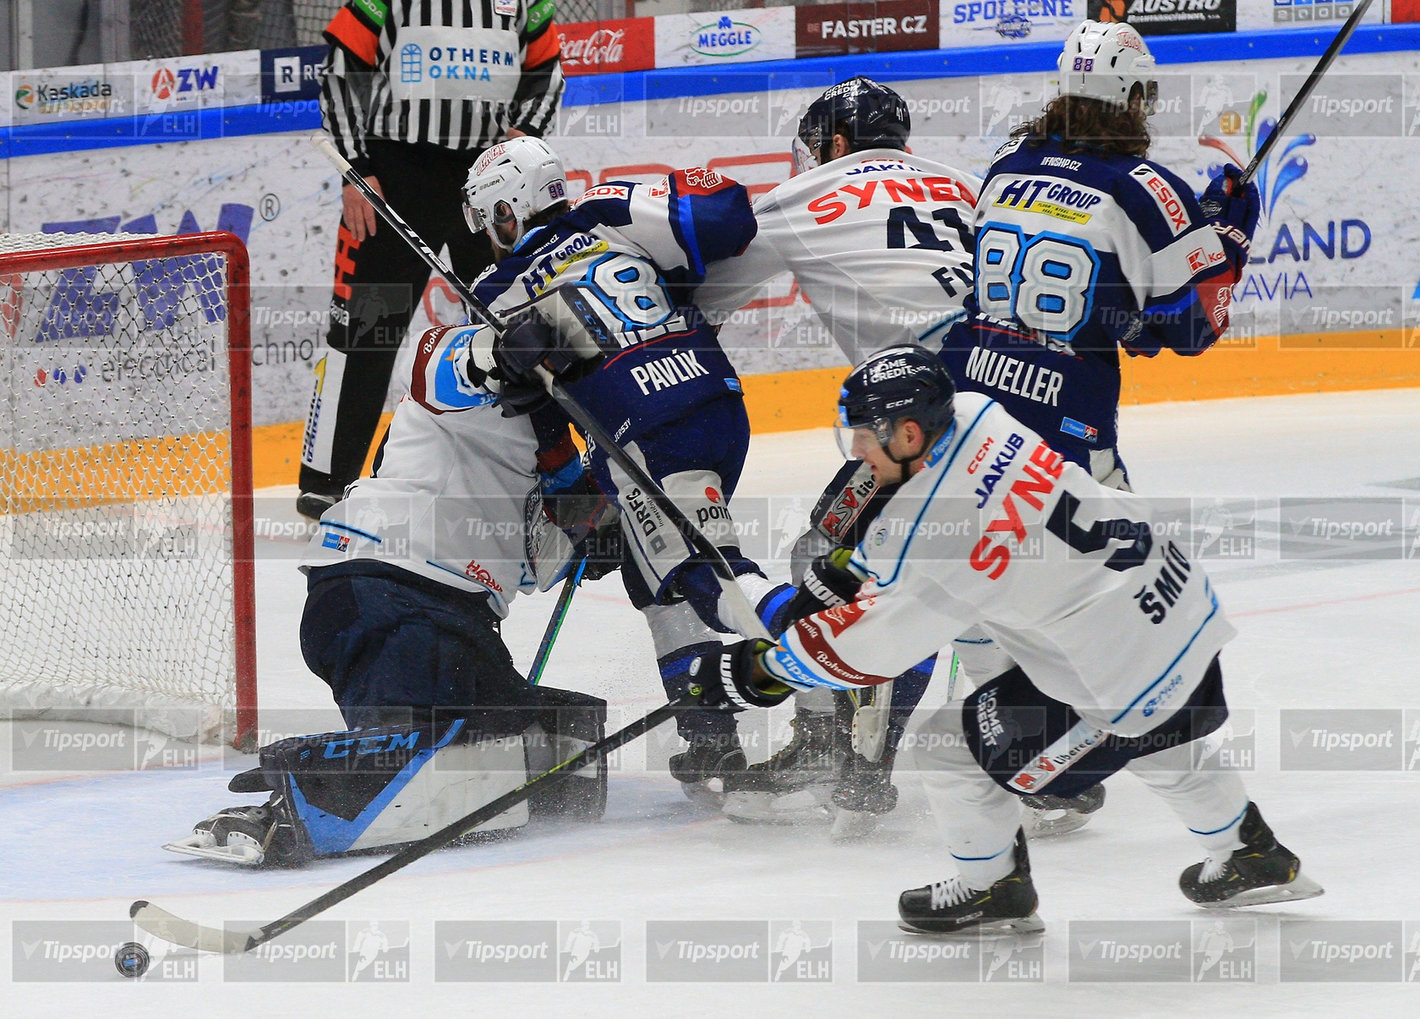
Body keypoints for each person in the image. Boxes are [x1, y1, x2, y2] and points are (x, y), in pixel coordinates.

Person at [696, 345, 1321, 933]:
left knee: (948, 746)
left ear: (910, 433)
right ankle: (1252, 854)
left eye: (866, 433)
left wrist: (759, 672)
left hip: (1128, 666)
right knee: (1151, 727)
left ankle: (992, 890)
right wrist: (856, 567)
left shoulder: (942, 535)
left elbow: (871, 649)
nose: (858, 448)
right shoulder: (976, 414)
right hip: (1179, 607)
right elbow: (923, 525)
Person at [698, 77, 1081, 839]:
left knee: (829, 553)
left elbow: (699, 300)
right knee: (981, 569)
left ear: (835, 144)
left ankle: (826, 749)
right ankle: (1051, 757)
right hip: (1033, 397)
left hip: (924, 409)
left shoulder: (806, 196)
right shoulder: (964, 183)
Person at [415, 137, 791, 799]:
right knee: (656, 580)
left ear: (508, 208)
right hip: (716, 405)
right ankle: (710, 734)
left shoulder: (495, 293)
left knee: (702, 575)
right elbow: (727, 219)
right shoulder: (605, 215)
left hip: (644, 434)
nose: (491, 234)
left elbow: (533, 412)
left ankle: (811, 633)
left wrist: (567, 490)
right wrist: (694, 194)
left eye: (492, 217)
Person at [167, 380, 610, 866]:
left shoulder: (570, 469)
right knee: (422, 754)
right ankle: (281, 811)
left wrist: (599, 533)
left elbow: (546, 562)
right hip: (389, 595)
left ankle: (330, 783)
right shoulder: (479, 380)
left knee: (525, 738)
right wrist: (514, 357)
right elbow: (445, 355)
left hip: (450, 618)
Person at [938, 19, 1260, 490]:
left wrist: (1133, 325)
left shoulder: (1008, 159)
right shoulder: (1147, 189)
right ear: (1131, 97)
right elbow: (1194, 329)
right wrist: (1225, 236)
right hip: (1061, 406)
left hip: (964, 380)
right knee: (1122, 559)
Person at [297, 0, 564, 520]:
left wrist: (524, 137)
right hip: (395, 173)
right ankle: (326, 482)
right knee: (365, 330)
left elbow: (547, 68)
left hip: (488, 178)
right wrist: (356, 167)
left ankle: (534, 471)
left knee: (510, 322)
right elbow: (343, 68)